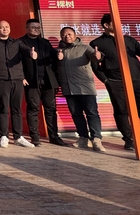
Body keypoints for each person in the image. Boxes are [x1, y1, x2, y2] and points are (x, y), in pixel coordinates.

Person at [90, 13, 140, 151]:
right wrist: (106, 80)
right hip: (115, 81)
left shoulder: (129, 40)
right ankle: (129, 139)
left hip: (136, 80)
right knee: (121, 111)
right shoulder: (97, 43)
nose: (119, 25)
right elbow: (95, 66)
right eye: (115, 22)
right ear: (106, 25)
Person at [0, 21, 36, 148]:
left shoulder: (17, 42)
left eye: (7, 27)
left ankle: (18, 137)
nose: (5, 29)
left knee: (16, 109)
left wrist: (31, 53)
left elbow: (26, 52)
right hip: (1, 79)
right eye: (2, 27)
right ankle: (4, 136)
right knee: (3, 108)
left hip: (17, 79)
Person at [19, 19, 68, 147]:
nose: (36, 30)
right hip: (31, 81)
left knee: (51, 109)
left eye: (38, 28)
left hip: (48, 81)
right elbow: (18, 62)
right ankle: (35, 137)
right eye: (33, 27)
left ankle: (54, 136)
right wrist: (22, 77)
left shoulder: (45, 42)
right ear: (27, 28)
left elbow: (54, 55)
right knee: (33, 109)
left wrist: (58, 55)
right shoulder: (20, 42)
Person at [57, 27, 105, 152]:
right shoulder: (59, 51)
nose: (67, 36)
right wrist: (58, 59)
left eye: (69, 34)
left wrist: (98, 56)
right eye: (64, 35)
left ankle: (96, 139)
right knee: (76, 114)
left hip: (85, 87)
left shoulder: (85, 48)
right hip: (69, 88)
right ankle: (83, 138)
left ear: (75, 35)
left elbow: (95, 56)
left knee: (92, 113)